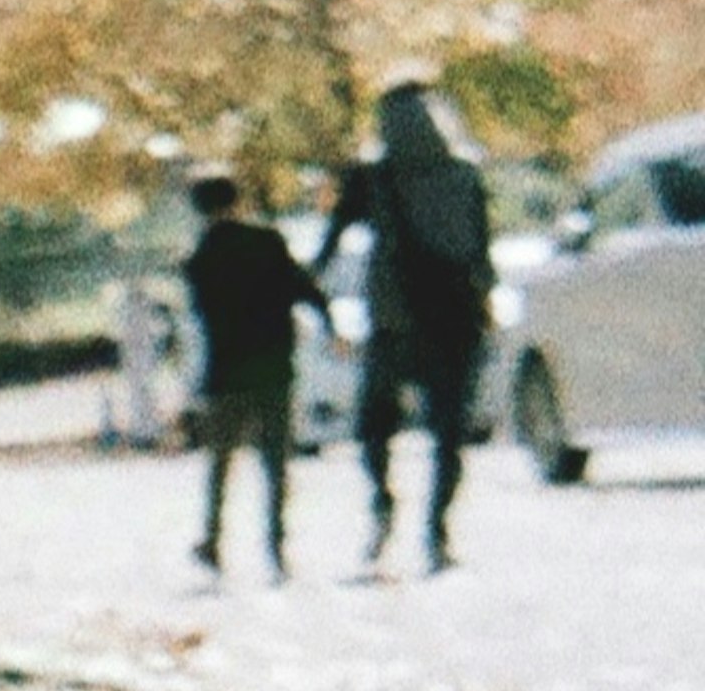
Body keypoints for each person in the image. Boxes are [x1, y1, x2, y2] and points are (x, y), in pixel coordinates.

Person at [325, 81, 497, 569]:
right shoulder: (466, 176)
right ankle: (437, 531)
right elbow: (482, 252)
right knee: (449, 432)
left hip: (394, 321)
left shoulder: (373, 180)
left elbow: (332, 240)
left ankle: (383, 501)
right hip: (455, 321)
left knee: (373, 425)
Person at [180, 165, 310, 575]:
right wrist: (329, 323)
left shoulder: (200, 259)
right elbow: (301, 286)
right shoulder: (268, 242)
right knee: (276, 464)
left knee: (221, 465)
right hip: (274, 366)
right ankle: (276, 547)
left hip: (227, 373)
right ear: (238, 201)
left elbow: (202, 315)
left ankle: (213, 541)